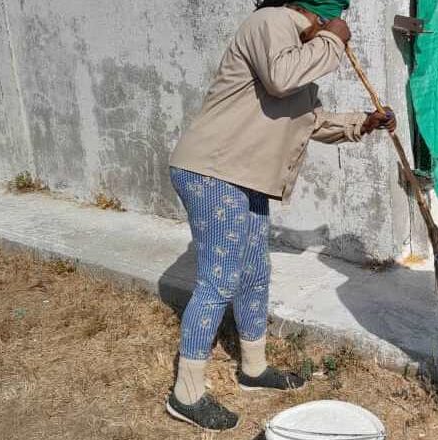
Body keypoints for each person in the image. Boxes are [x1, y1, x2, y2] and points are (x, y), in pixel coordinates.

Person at [166, 0, 396, 431]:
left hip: (243, 175)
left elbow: (306, 120)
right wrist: (334, 39)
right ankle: (186, 394)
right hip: (212, 171)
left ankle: (253, 369)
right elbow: (281, 79)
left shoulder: (293, 48)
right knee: (220, 278)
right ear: (319, 15)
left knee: (255, 271)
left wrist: (362, 123)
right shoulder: (270, 21)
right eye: (329, 22)